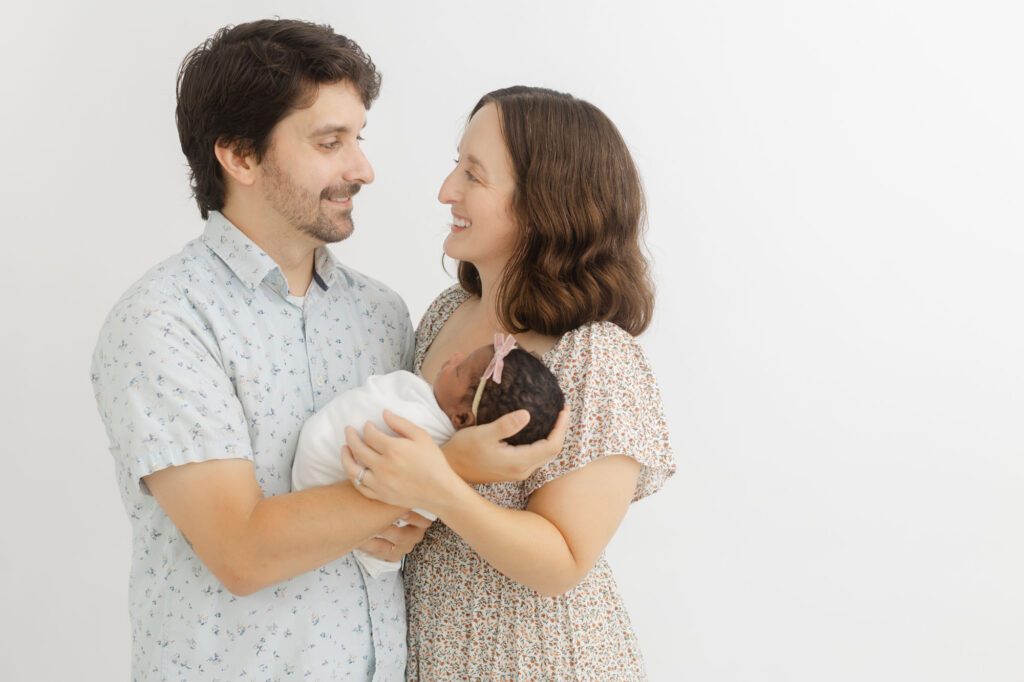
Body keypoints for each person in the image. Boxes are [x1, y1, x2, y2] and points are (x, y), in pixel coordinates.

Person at [90, 21, 565, 681]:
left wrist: (415, 508)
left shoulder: (381, 313)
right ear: (240, 156)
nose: (362, 169)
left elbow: (396, 523)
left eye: (358, 138)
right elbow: (243, 552)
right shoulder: (166, 321)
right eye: (329, 141)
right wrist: (445, 472)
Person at [341, 86, 677, 680]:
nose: (447, 191)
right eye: (455, 166)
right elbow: (418, 481)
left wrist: (440, 486)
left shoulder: (596, 353)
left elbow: (565, 560)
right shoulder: (447, 313)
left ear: (546, 202)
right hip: (439, 654)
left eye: (474, 175)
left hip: (538, 662)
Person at [293, 334, 564, 577]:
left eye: (459, 369)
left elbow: (417, 498)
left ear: (461, 417)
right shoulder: (442, 317)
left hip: (320, 492)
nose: (454, 357)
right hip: (318, 505)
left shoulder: (425, 431)